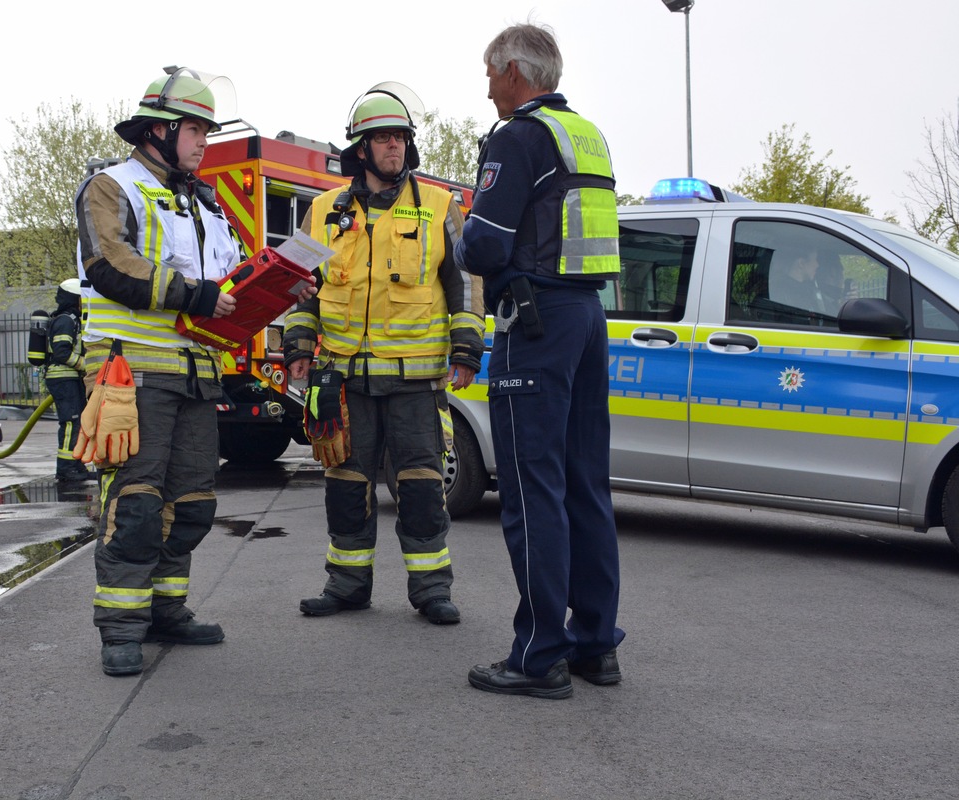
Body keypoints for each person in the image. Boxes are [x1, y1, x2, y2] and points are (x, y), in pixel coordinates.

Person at [76, 68, 313, 677]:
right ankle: (122, 629)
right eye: (195, 129)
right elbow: (110, 263)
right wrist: (194, 294)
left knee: (194, 502)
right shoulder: (111, 186)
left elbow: (231, 283)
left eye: (207, 130)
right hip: (132, 376)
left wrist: (280, 287)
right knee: (135, 502)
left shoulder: (206, 203)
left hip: (198, 376)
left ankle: (166, 611)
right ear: (159, 129)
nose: (204, 141)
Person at [456, 22, 625, 698]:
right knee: (586, 484)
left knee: (533, 491)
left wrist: (461, 232)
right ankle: (593, 647)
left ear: (514, 73)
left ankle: (538, 656)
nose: (487, 85)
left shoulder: (518, 136)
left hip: (538, 321)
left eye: (490, 73)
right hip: (587, 317)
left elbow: (488, 246)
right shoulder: (587, 134)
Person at [283, 82, 485, 626]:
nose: (394, 146)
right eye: (383, 138)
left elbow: (465, 284)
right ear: (361, 148)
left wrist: (467, 347)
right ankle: (347, 584)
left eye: (400, 138)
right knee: (346, 484)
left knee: (421, 485)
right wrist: (298, 346)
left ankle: (431, 590)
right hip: (343, 379)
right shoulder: (324, 210)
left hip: (417, 381)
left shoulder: (441, 206)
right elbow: (299, 286)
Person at [44, 278, 94, 483]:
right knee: (71, 422)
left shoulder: (72, 319)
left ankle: (76, 464)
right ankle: (66, 468)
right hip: (63, 378)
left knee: (78, 422)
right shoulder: (65, 320)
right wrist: (86, 365)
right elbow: (62, 352)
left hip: (71, 379)